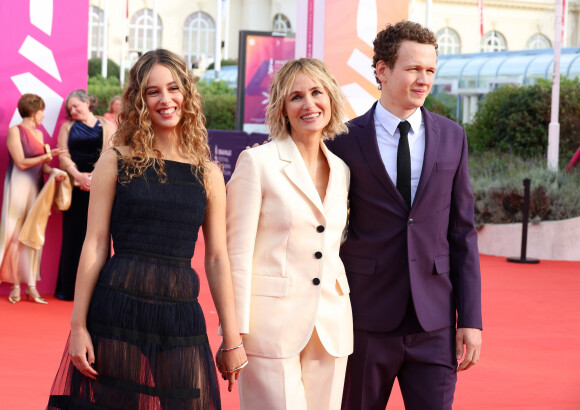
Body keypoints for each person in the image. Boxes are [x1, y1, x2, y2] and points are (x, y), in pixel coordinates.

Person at [47, 49, 246, 409]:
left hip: (180, 314)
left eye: (173, 88)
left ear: (186, 93)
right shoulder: (116, 159)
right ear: (139, 100)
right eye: (153, 91)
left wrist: (231, 339)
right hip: (116, 309)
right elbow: (94, 244)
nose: (165, 100)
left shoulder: (208, 173)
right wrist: (78, 327)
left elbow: (217, 258)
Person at [325, 21, 482, 410]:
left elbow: (463, 233)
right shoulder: (343, 139)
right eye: (413, 69)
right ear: (382, 70)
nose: (423, 79)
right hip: (366, 318)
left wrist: (472, 319)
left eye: (430, 70)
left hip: (435, 321)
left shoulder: (452, 136)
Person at [225, 58, 352, 410]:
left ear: (331, 98)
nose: (309, 104)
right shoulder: (257, 163)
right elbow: (236, 255)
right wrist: (232, 335)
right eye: (296, 97)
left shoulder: (342, 171)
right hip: (270, 327)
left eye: (316, 92)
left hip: (331, 324)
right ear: (282, 108)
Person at [0, 94, 67, 304]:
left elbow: (42, 166)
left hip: (37, 190)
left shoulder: (39, 134)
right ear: (33, 111)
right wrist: (47, 157)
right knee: (14, 236)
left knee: (33, 236)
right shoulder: (14, 131)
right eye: (42, 111)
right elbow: (20, 163)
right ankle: (15, 286)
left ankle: (31, 285)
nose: (44, 115)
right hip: (17, 188)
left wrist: (55, 171)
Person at [55, 89, 114, 300]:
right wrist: (79, 176)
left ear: (88, 102)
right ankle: (69, 289)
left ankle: (100, 290)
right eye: (70, 108)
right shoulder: (67, 127)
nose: (72, 110)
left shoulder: (108, 126)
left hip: (101, 187)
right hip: (75, 187)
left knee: (100, 237)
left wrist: (95, 177)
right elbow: (63, 155)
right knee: (73, 237)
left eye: (75, 106)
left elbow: (112, 154)